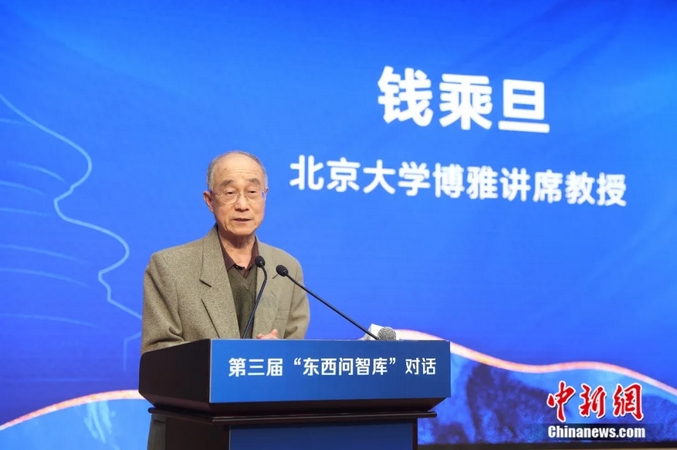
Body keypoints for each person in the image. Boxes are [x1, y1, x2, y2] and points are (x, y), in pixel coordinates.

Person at [140, 150, 310, 449]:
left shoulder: (286, 268)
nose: (243, 204)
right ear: (210, 200)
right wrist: (236, 364)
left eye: (253, 192)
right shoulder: (169, 266)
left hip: (265, 432)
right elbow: (158, 360)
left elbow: (296, 357)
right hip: (190, 432)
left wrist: (279, 359)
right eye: (230, 193)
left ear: (265, 197)